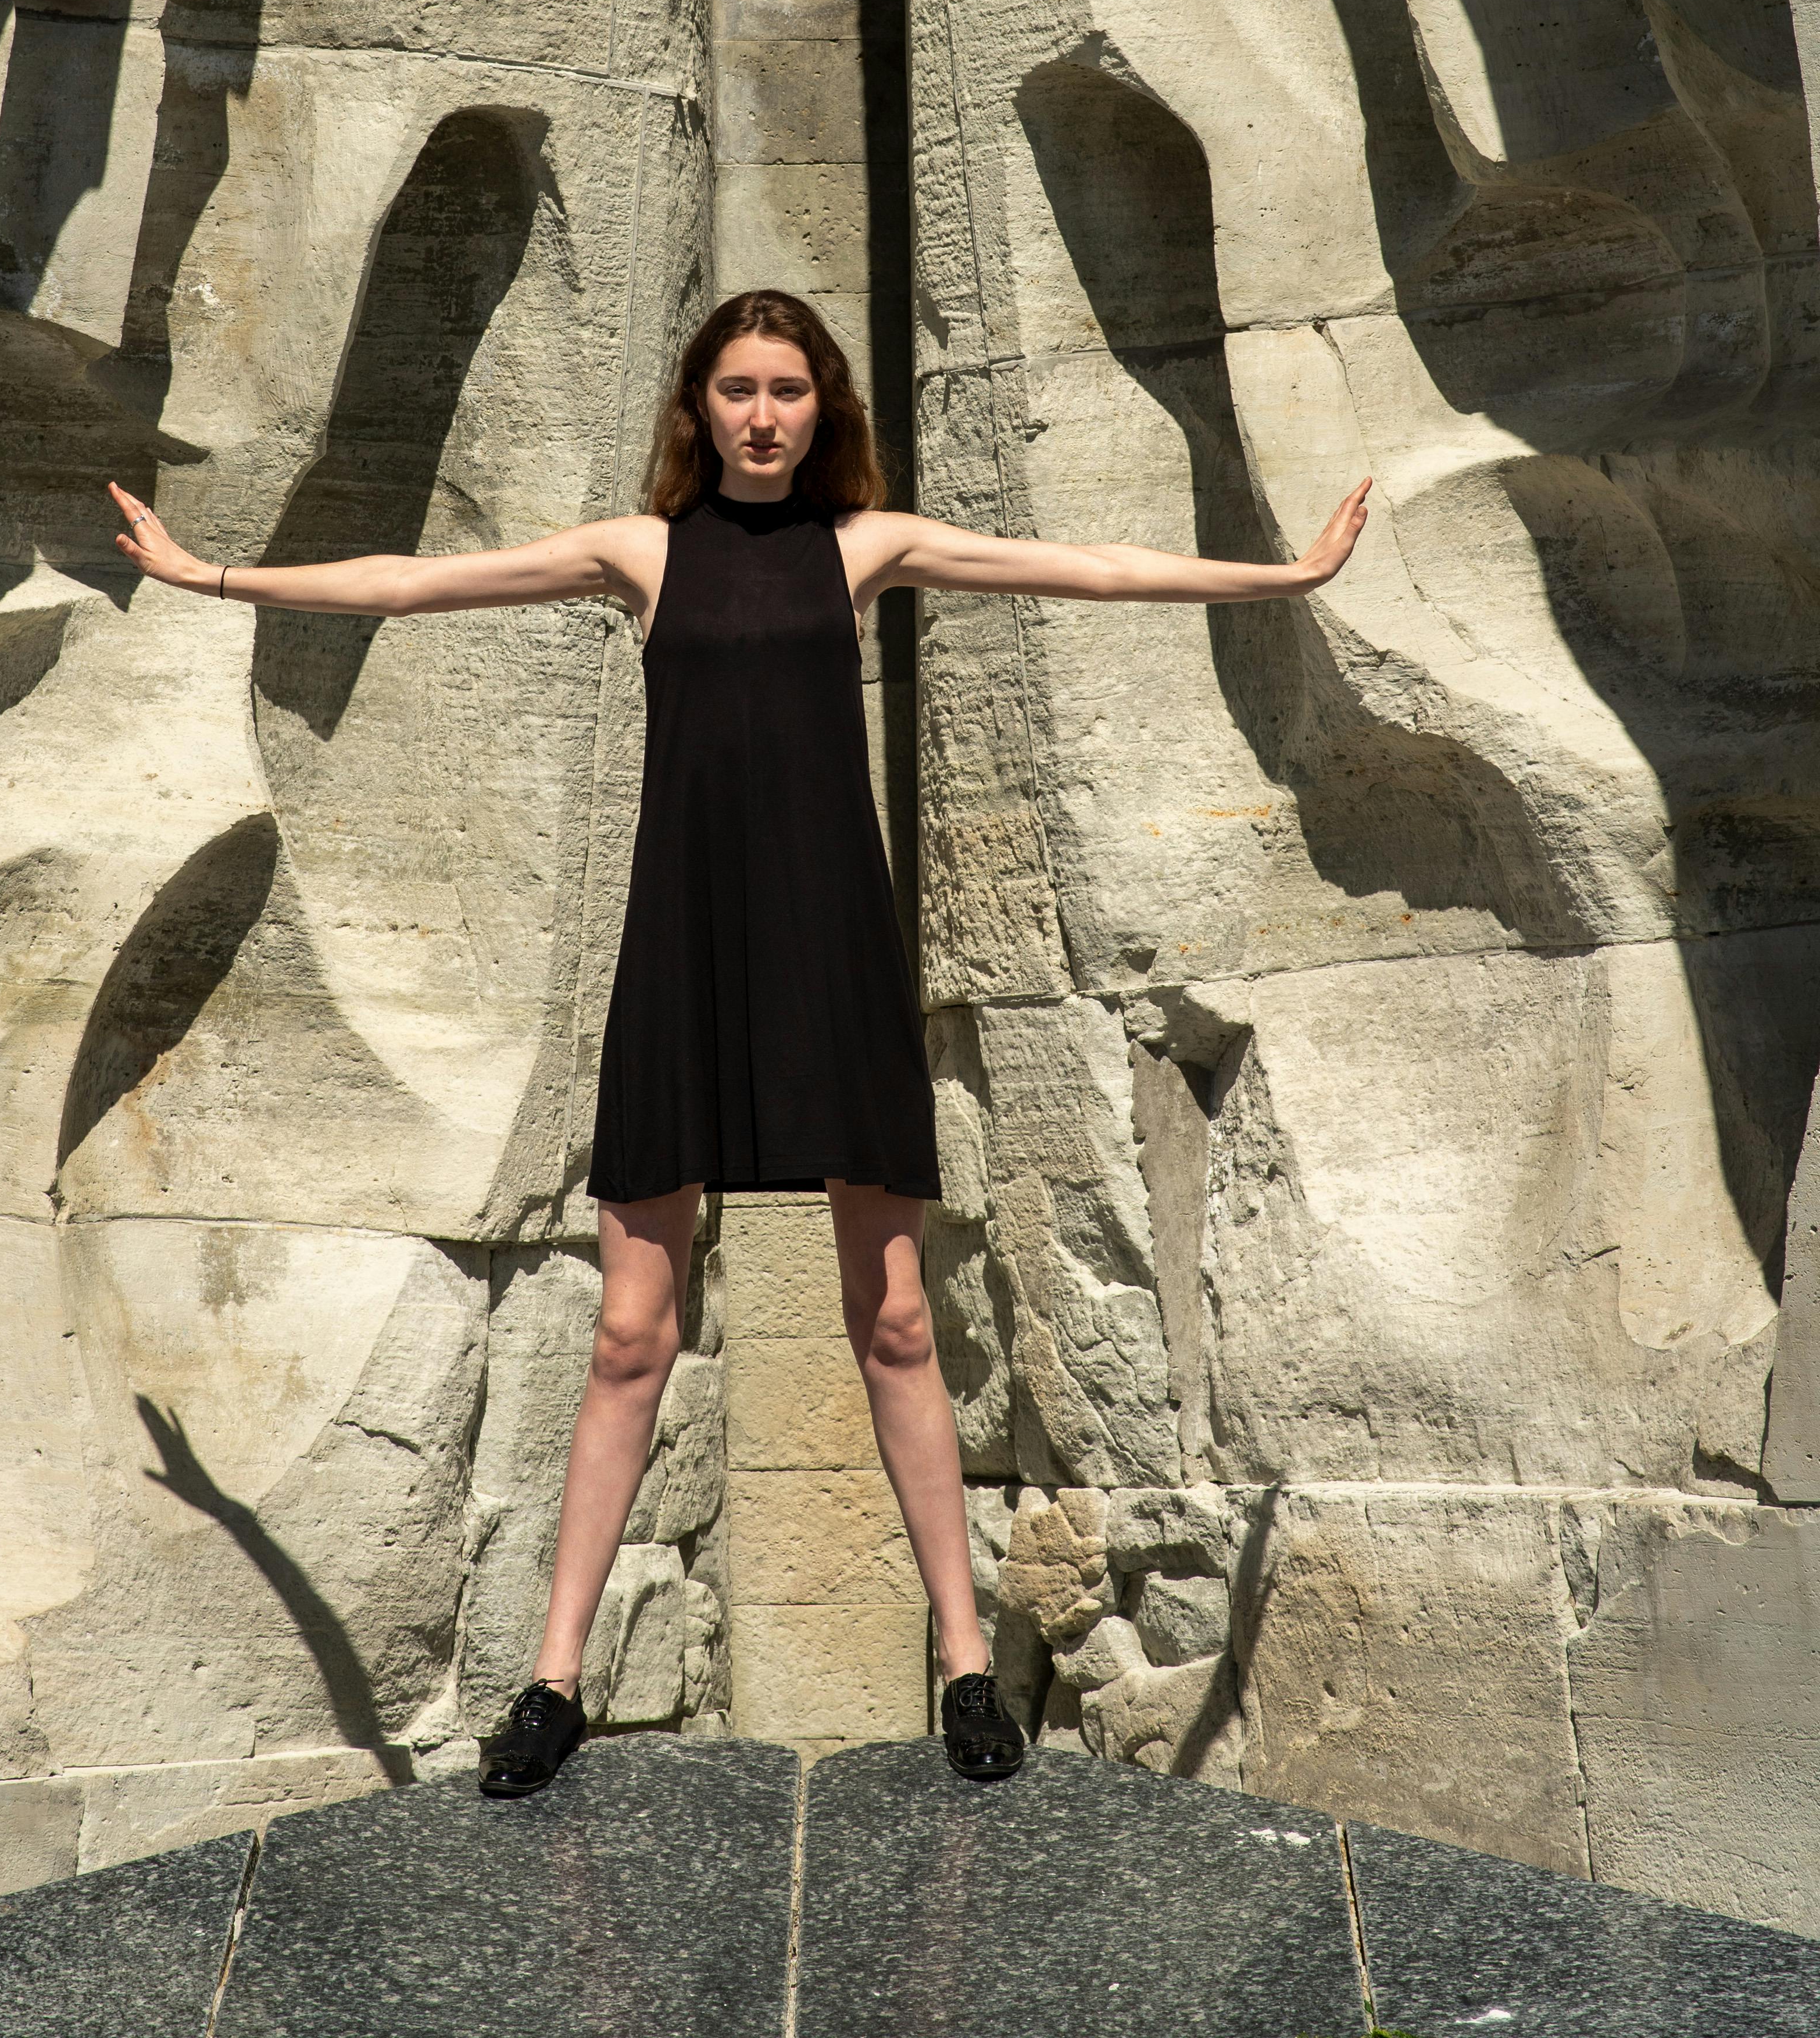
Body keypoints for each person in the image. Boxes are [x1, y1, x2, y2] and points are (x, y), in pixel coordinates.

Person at [110, 287, 1370, 1799]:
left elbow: (1089, 569)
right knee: (630, 1334)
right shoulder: (640, 555)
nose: (762, 415)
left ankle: (967, 1668)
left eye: (787, 389)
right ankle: (554, 1683)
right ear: (697, 409)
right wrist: (214, 575)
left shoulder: (866, 548)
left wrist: (1285, 574)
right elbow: (413, 582)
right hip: (685, 953)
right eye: (736, 390)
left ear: (821, 407)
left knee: (894, 1321)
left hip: (832, 949)